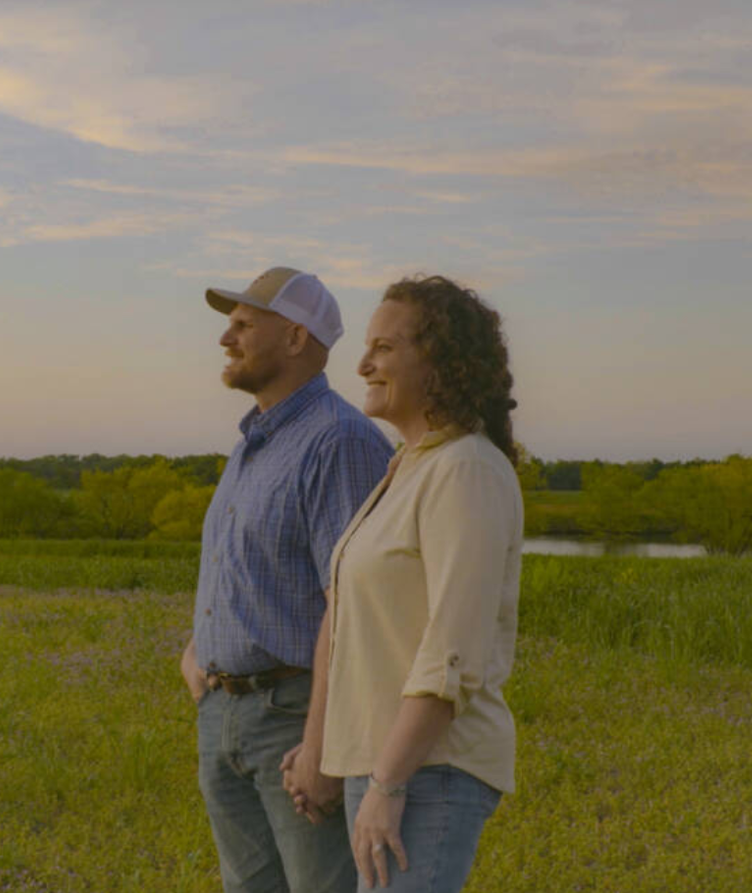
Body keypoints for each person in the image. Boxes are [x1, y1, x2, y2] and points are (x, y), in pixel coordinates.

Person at [299, 275, 522, 892]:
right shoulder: (410, 468)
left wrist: (390, 783)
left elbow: (452, 651)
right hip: (381, 769)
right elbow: (346, 620)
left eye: (384, 348)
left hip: (427, 772)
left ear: (441, 362)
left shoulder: (465, 470)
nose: (364, 364)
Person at [183, 266, 394, 893]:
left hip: (293, 715)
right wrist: (198, 654)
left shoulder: (340, 442)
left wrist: (322, 745)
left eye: (245, 324)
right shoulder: (253, 444)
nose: (227, 337)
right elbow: (239, 568)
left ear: (297, 338)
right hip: (223, 711)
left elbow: (353, 605)